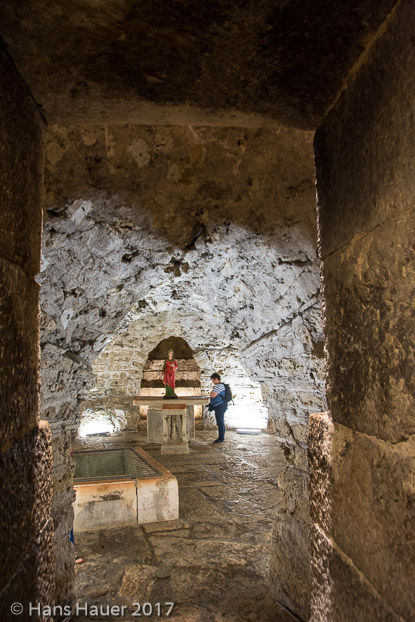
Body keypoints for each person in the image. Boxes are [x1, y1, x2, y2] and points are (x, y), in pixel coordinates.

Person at [209, 373, 227, 443]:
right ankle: (221, 437)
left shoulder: (219, 386)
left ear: (216, 379)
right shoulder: (221, 385)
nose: (212, 382)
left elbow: (212, 395)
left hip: (220, 406)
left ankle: (221, 438)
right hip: (220, 405)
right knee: (220, 421)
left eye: (213, 380)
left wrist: (212, 391)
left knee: (220, 422)